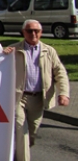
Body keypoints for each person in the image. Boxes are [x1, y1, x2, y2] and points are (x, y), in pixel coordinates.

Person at [10, 20, 70, 161]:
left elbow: (60, 73)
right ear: (23, 32)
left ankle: (18, 154)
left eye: (36, 31)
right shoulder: (13, 50)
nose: (33, 34)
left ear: (41, 32)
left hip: (39, 98)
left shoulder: (49, 51)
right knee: (21, 130)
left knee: (31, 135)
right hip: (19, 97)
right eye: (29, 31)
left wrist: (63, 93)